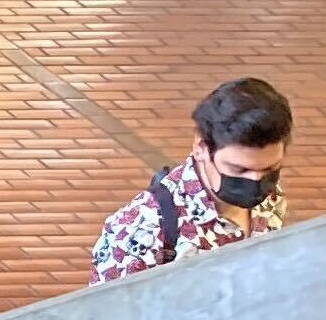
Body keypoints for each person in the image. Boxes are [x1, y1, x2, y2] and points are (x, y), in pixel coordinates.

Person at [89, 76, 290, 284]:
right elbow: (108, 311)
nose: (256, 180)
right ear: (201, 148)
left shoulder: (272, 197)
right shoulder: (137, 230)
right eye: (238, 169)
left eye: (270, 168)